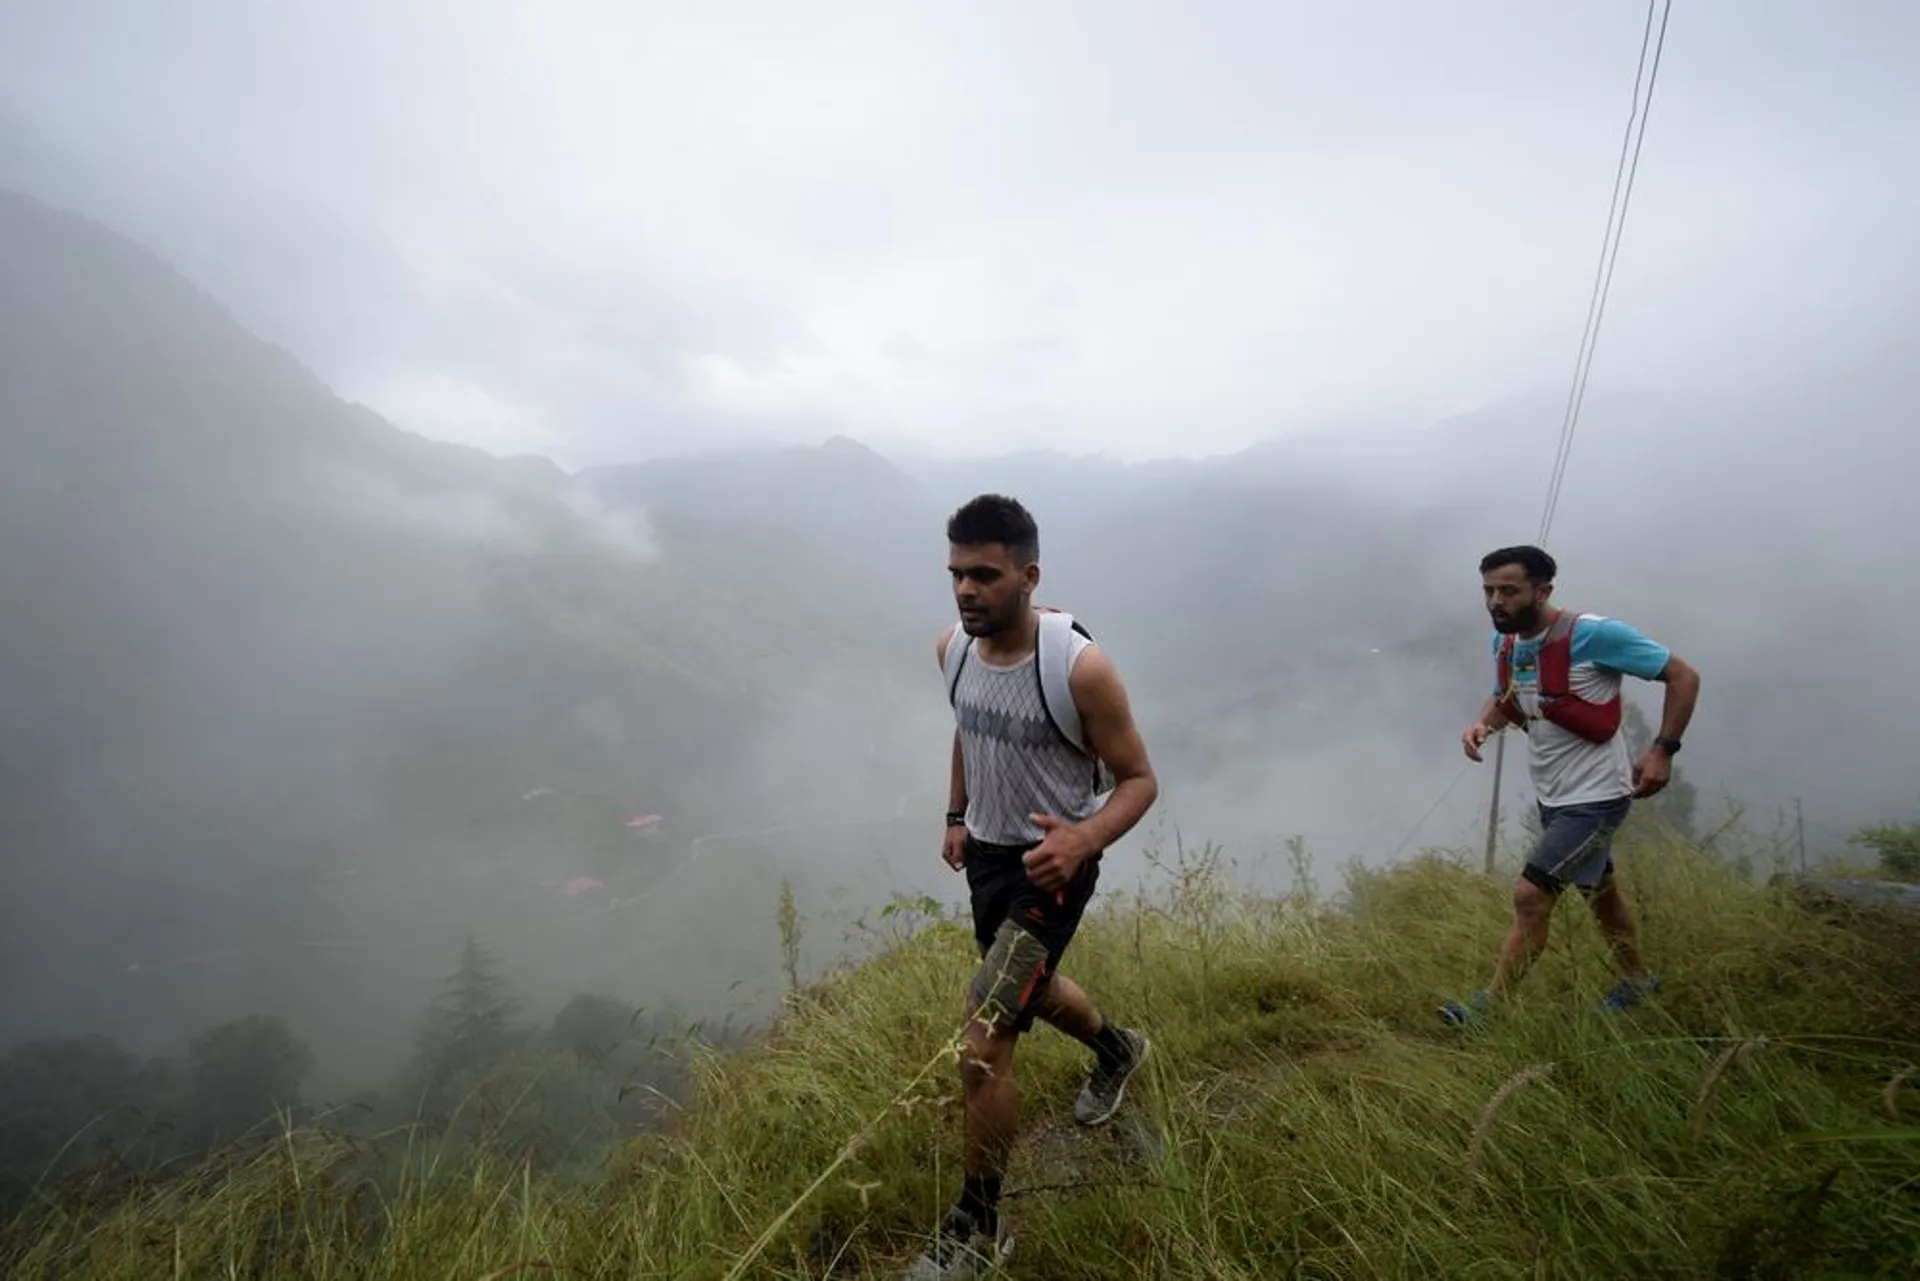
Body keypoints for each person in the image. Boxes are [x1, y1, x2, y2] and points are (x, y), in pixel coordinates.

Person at [905, 493, 1158, 1279]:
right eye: (956, 574)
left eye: (985, 574)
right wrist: (957, 812)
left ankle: (977, 1226)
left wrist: (1083, 838)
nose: (966, 590)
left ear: (1029, 574)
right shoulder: (953, 648)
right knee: (1029, 987)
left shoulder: (1079, 667)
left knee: (983, 1041)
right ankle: (1118, 1049)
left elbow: (1139, 781)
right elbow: (968, 724)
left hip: (1052, 868)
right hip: (987, 856)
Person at [1441, 544, 1701, 1026]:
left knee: (1530, 894)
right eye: (1488, 591)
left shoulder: (1595, 635)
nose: (1496, 602)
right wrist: (1483, 724)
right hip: (1553, 795)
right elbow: (1509, 698)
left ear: (1544, 591)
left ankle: (1489, 1008)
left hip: (1597, 797)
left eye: (1509, 591)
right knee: (1600, 892)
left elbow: (1683, 676)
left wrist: (1663, 749)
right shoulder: (1509, 643)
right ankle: (1638, 980)